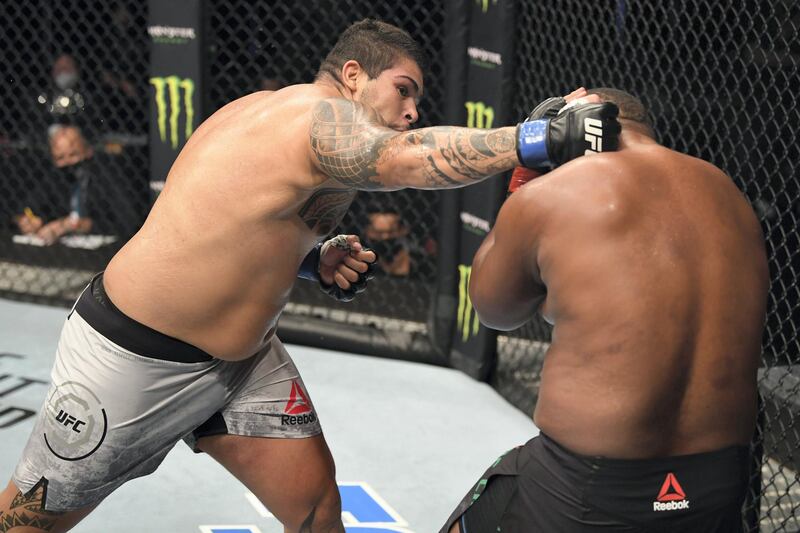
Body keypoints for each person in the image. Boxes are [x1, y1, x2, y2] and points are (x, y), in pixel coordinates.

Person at [0, 19, 619, 532]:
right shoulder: (316, 118)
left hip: (241, 363)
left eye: (417, 101)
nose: (411, 111)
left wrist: (307, 257)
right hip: (134, 363)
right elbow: (407, 160)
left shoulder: (275, 121)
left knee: (318, 509)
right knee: (23, 525)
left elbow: (218, 223)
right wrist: (541, 139)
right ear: (353, 75)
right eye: (402, 91)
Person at [441, 88, 769, 533]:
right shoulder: (730, 193)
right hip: (722, 483)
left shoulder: (553, 194)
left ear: (571, 127)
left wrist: (523, 184)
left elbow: (494, 310)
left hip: (586, 489)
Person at [12, 125, 96, 244]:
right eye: (60, 158)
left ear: (88, 151)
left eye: (73, 155)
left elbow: (122, 222)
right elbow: (26, 207)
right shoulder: (56, 177)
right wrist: (25, 220)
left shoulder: (103, 177)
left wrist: (69, 225)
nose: (67, 162)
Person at [364, 202, 433, 278]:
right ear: (367, 230)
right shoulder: (362, 248)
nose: (385, 237)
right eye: (378, 233)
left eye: (391, 232)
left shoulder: (413, 249)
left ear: (403, 230)